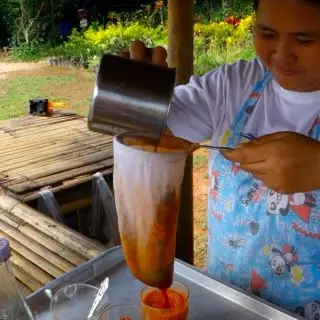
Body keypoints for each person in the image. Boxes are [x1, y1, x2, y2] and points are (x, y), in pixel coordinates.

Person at [121, 0, 320, 318]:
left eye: (305, 39)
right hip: (223, 302)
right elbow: (152, 131)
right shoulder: (233, 85)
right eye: (267, 33)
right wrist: (140, 99)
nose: (282, 54)